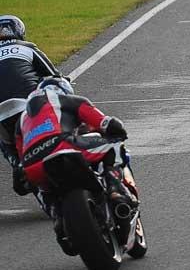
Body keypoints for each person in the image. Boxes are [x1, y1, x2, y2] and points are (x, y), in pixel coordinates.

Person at [15, 77, 136, 254]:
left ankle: (58, 217)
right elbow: (105, 123)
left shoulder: (21, 120)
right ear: (63, 89)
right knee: (113, 145)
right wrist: (117, 130)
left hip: (31, 164)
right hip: (63, 145)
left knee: (42, 185)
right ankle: (116, 189)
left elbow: (20, 154)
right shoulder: (68, 100)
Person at [0, 15, 61, 196]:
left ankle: (17, 164)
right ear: (19, 31)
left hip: (2, 115)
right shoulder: (27, 48)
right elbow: (54, 76)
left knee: (5, 143)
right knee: (60, 114)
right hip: (29, 107)